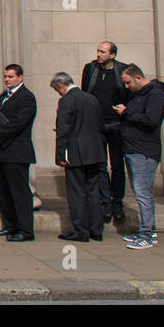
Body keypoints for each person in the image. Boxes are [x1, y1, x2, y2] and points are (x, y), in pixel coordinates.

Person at [114, 63, 164, 250]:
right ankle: (148, 231)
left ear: (138, 77)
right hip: (132, 148)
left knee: (143, 193)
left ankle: (146, 234)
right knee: (142, 191)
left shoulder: (155, 94)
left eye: (128, 82)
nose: (127, 87)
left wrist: (126, 112)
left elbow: (151, 120)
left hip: (144, 151)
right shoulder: (138, 94)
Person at [0, 63, 37, 242]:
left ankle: (25, 229)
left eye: (11, 77)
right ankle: (10, 225)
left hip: (17, 151)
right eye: (5, 76)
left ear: (20, 77)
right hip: (2, 151)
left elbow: (18, 124)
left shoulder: (27, 98)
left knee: (19, 192)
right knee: (4, 191)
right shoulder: (3, 97)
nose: (7, 80)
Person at [51, 71, 106, 242]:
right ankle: (96, 230)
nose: (58, 93)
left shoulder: (66, 101)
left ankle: (80, 230)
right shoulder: (92, 99)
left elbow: (63, 129)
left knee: (76, 193)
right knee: (93, 191)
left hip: (75, 152)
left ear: (60, 85)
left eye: (57, 89)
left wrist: (60, 154)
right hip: (95, 151)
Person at [80, 40, 129, 223]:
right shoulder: (90, 69)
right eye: (98, 51)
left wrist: (126, 109)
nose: (98, 54)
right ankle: (105, 202)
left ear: (112, 55)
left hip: (116, 124)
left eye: (102, 52)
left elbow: (129, 94)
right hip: (96, 125)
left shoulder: (122, 70)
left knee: (117, 166)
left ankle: (117, 202)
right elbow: (85, 94)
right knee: (100, 165)